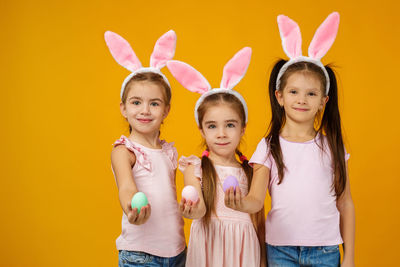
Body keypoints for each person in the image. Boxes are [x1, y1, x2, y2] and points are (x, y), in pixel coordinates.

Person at [225, 12, 355, 267]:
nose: (302, 99)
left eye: (311, 93)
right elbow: (256, 199)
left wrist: (348, 256)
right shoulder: (269, 146)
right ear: (280, 96)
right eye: (294, 91)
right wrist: (240, 203)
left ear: (323, 102)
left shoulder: (332, 147)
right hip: (280, 251)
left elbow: (345, 201)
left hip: (325, 251)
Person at [167, 47, 266, 267]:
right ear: (202, 130)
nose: (221, 133)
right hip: (208, 246)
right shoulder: (196, 167)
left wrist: (262, 259)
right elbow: (200, 208)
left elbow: (258, 217)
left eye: (230, 125)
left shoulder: (251, 169)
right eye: (212, 126)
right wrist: (191, 210)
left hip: (243, 247)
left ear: (242, 128)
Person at [105, 30, 186, 267]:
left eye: (154, 103)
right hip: (141, 255)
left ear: (166, 110)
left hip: (176, 250)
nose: (145, 110)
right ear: (123, 108)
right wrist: (132, 207)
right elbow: (127, 187)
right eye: (136, 102)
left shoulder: (169, 152)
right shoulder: (124, 151)